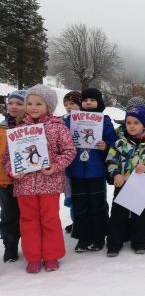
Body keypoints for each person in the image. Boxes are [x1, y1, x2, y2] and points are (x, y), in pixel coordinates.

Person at [4, 85, 76, 273]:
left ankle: (51, 255)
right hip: (24, 185)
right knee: (28, 221)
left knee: (50, 219)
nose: (33, 107)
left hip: (49, 184)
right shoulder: (18, 129)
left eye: (38, 103)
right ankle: (33, 256)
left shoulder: (58, 128)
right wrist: (14, 171)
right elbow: (7, 157)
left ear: (49, 106)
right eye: (29, 103)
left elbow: (69, 151)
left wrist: (55, 166)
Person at [64, 88, 117, 252]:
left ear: (99, 102)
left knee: (97, 205)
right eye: (85, 100)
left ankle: (99, 237)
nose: (88, 102)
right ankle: (83, 237)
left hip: (96, 171)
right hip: (76, 171)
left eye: (92, 100)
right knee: (80, 205)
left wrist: (106, 146)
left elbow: (114, 142)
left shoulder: (105, 121)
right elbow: (62, 137)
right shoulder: (70, 120)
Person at [106, 105, 145, 257]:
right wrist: (116, 174)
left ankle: (139, 242)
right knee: (118, 215)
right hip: (122, 184)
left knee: (140, 216)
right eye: (129, 122)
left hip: (141, 186)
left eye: (136, 123)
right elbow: (110, 161)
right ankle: (114, 244)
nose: (131, 126)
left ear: (144, 124)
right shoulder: (119, 143)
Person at [0, 90, 26, 262]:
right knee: (9, 215)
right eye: (11, 103)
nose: (14, 107)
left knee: (27, 214)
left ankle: (32, 244)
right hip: (6, 181)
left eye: (19, 103)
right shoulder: (2, 128)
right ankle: (10, 247)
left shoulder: (31, 127)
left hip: (26, 180)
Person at [61, 90, 82, 235]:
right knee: (72, 196)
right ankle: (76, 222)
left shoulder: (90, 120)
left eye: (73, 103)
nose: (69, 107)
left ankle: (83, 222)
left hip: (84, 164)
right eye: (66, 104)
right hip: (68, 165)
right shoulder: (62, 122)